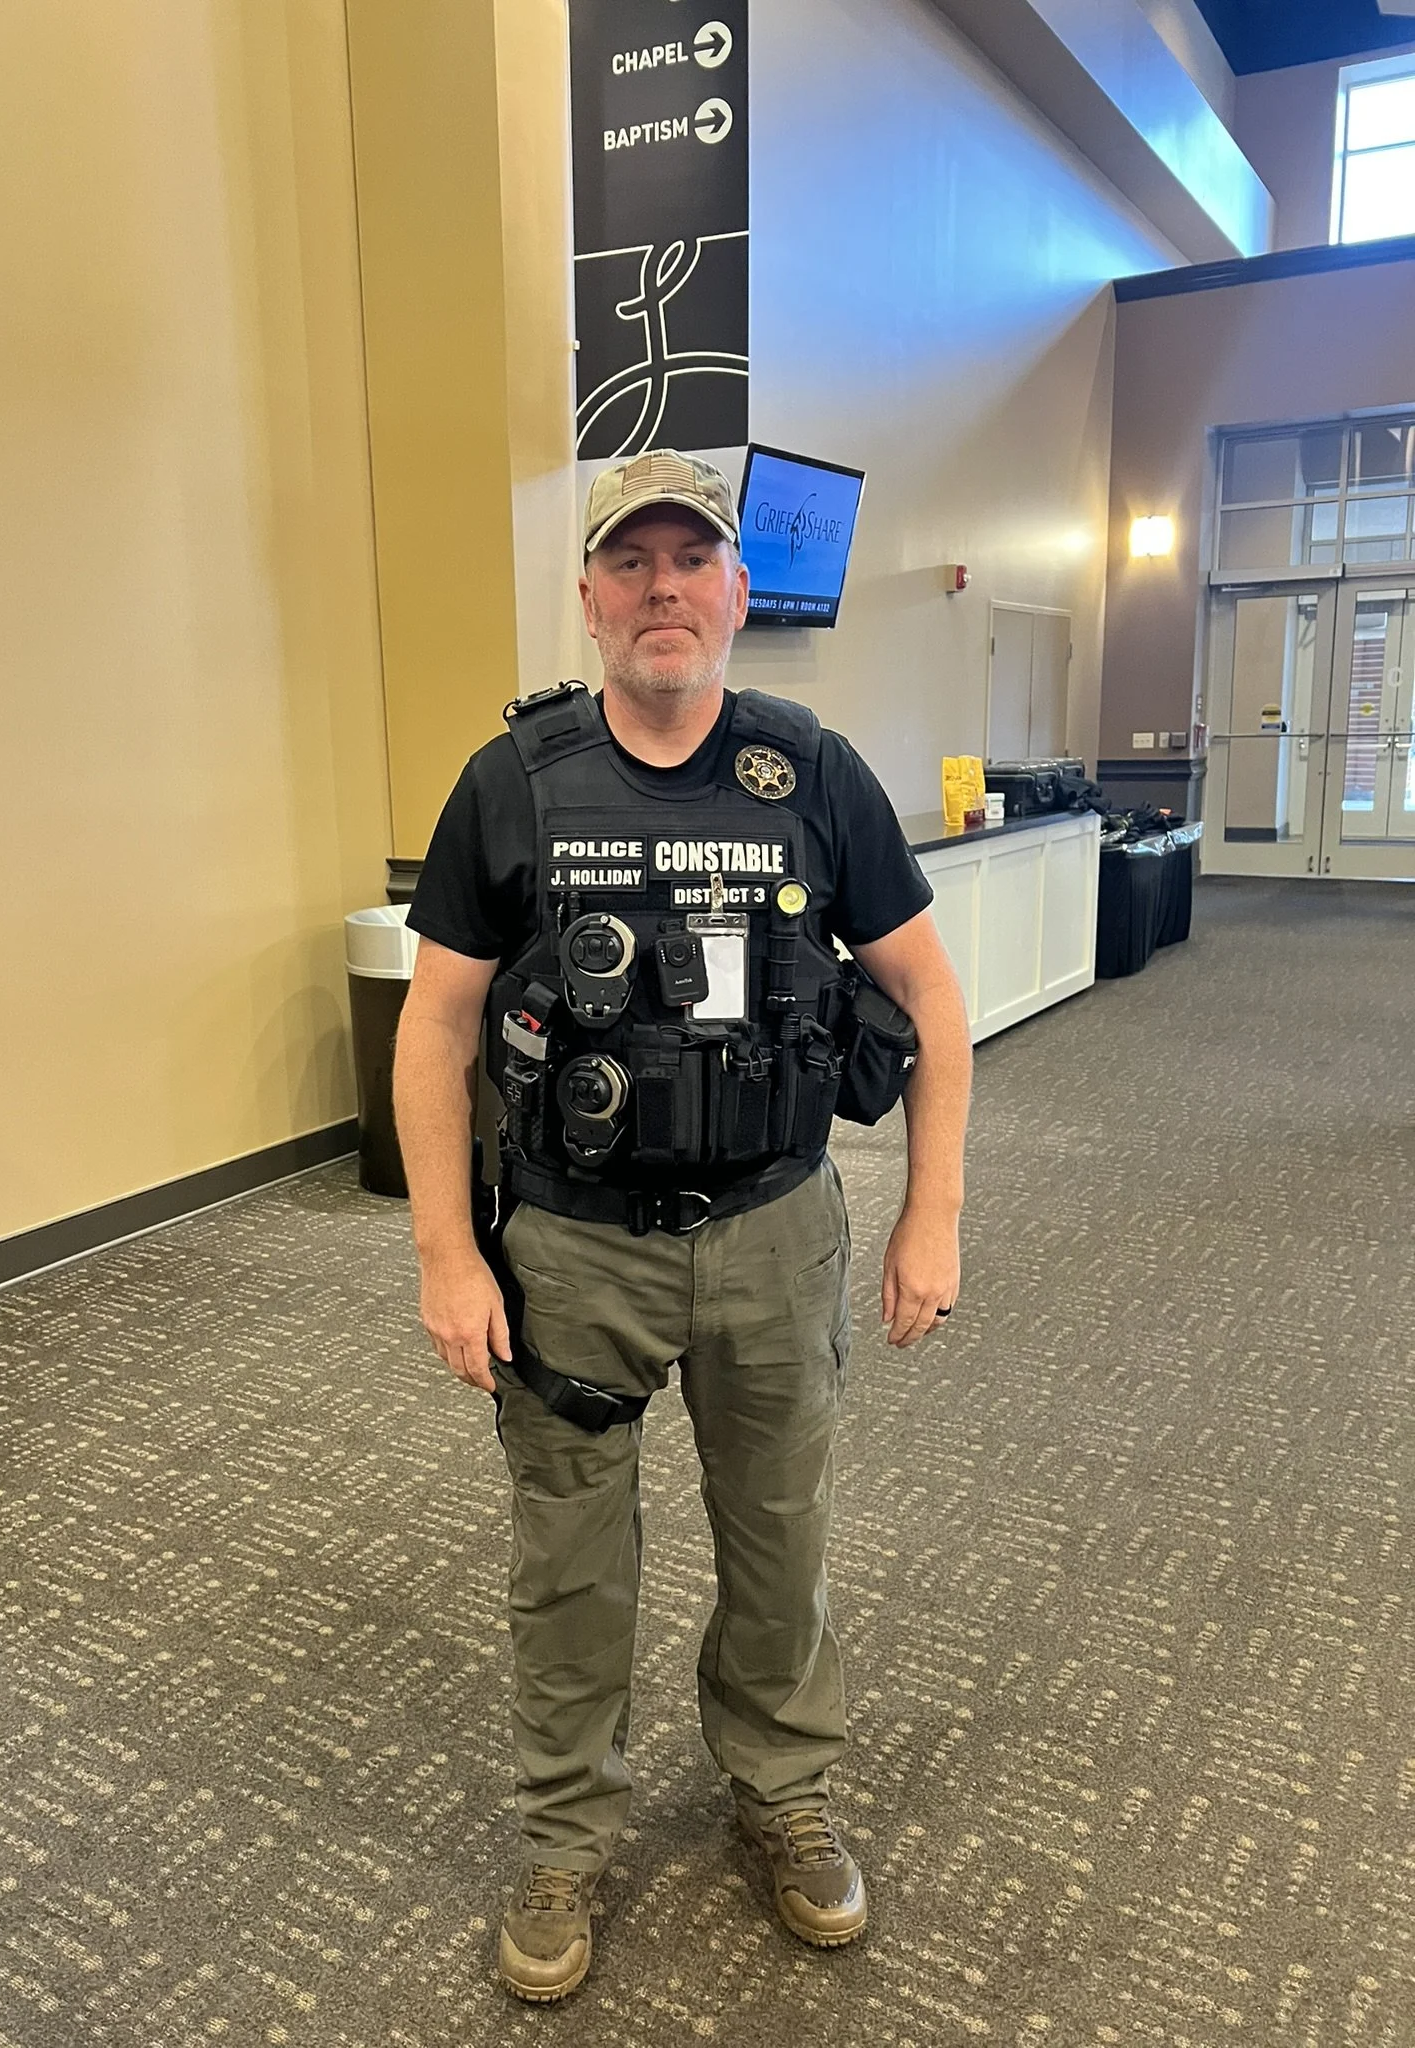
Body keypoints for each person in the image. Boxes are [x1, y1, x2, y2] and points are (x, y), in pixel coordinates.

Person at [394, 448, 972, 2002]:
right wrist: (448, 1256)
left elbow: (928, 999)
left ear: (734, 592)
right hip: (574, 1244)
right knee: (570, 1556)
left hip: (779, 1228)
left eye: (690, 560)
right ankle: (566, 1834)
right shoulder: (512, 786)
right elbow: (434, 1032)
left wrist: (934, 1218)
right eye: (629, 562)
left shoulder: (813, 773)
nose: (663, 588)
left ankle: (782, 1794)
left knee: (779, 1537)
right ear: (589, 598)